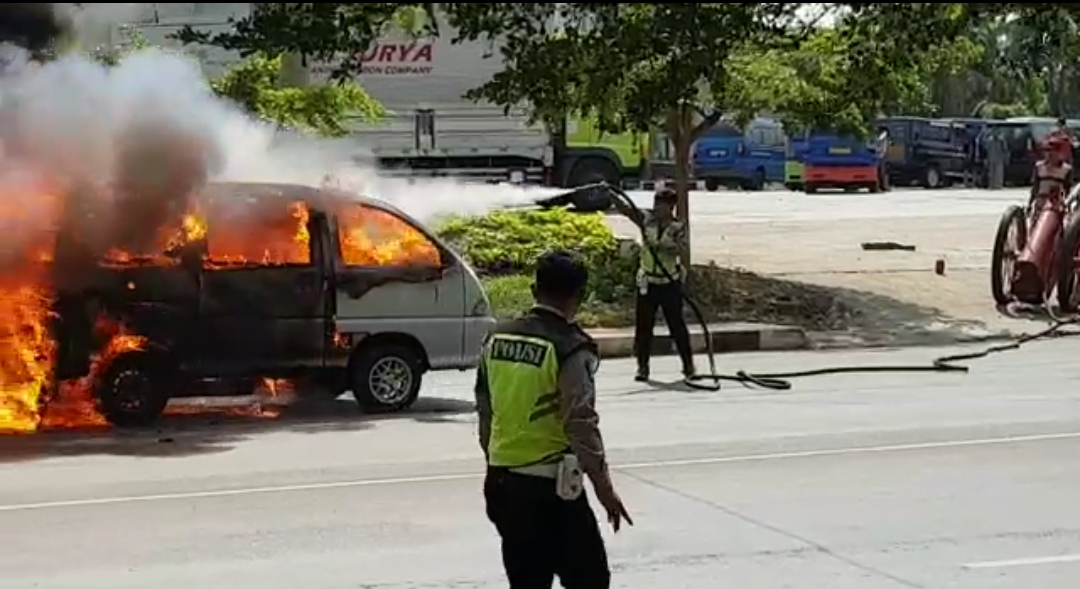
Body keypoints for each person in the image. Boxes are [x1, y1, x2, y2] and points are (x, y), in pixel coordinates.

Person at [475, 250, 632, 589]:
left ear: (534, 289)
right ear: (580, 296)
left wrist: (494, 467)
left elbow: (486, 412)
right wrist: (605, 490)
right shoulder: (571, 348)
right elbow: (581, 423)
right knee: (590, 581)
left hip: (504, 485)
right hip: (552, 492)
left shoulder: (496, 337)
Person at [611, 187, 696, 382]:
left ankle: (688, 366)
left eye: (661, 205)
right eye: (656, 203)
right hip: (647, 282)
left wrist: (661, 245)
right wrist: (612, 194)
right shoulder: (646, 219)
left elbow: (681, 249)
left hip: (669, 283)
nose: (657, 208)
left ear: (670, 207)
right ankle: (643, 367)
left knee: (677, 326)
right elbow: (626, 210)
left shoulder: (678, 227)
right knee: (643, 327)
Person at [1029, 136, 1073, 210]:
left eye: (1052, 151)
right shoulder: (1039, 166)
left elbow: (1067, 191)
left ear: (1059, 153)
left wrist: (1067, 206)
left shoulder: (1066, 169)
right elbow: (1035, 188)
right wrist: (1030, 204)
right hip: (1040, 203)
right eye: (1046, 151)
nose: (1049, 154)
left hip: (1056, 205)